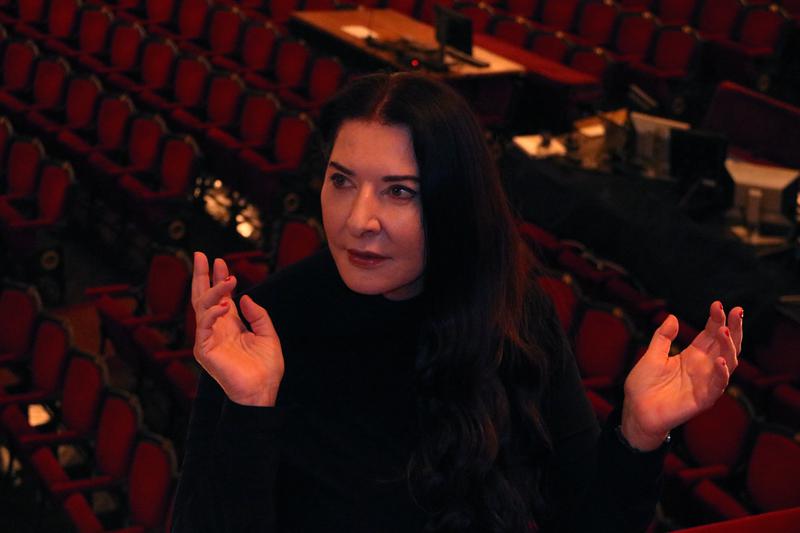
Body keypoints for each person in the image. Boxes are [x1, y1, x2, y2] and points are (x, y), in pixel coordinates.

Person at [172, 72, 743, 533]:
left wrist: (638, 436)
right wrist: (250, 409)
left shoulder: (513, 314)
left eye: (399, 192)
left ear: (454, 203)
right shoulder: (267, 322)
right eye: (342, 181)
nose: (357, 220)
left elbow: (583, 519)